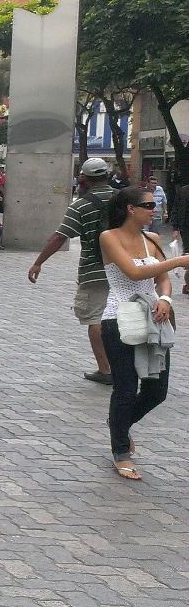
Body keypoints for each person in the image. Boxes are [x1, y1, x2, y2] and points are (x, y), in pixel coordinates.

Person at [94, 187, 183, 480]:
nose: (153, 209)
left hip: (154, 318)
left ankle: (119, 423)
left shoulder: (153, 239)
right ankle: (121, 451)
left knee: (157, 390)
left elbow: (162, 280)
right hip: (118, 319)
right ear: (130, 209)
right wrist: (179, 260)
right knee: (126, 387)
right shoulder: (110, 237)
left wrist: (165, 299)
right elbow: (133, 273)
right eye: (147, 205)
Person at [28, 158, 118, 385]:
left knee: (96, 318)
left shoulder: (81, 205)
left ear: (84, 178)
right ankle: (127, 367)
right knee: (122, 317)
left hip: (94, 269)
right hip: (128, 268)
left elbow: (61, 236)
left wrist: (38, 262)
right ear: (107, 175)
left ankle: (106, 370)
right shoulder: (124, 199)